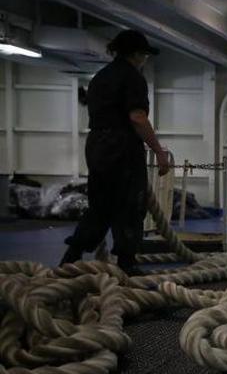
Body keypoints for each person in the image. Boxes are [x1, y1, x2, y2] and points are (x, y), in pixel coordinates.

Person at [61, 29, 172, 275]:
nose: (145, 59)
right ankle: (126, 263)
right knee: (130, 203)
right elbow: (137, 117)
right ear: (137, 54)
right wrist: (159, 152)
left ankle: (72, 255)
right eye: (143, 54)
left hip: (97, 144)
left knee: (100, 204)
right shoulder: (133, 78)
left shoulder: (100, 78)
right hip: (122, 144)